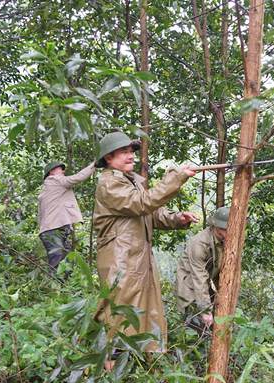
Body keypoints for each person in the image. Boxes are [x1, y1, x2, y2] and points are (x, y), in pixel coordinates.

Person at [92, 132, 199, 354]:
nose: (131, 156)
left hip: (136, 259)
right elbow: (142, 204)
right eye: (124, 152)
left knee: (143, 315)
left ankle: (137, 367)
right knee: (118, 317)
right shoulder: (109, 183)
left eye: (131, 152)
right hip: (119, 261)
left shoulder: (129, 181)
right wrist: (176, 177)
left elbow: (150, 213)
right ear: (108, 159)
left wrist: (177, 218)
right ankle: (110, 370)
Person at [174, 206, 229, 333]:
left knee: (214, 327)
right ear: (217, 227)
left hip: (207, 285)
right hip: (191, 287)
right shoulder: (200, 244)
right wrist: (205, 310)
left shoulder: (225, 241)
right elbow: (199, 278)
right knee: (197, 329)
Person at [37, 160, 96, 272]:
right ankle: (53, 288)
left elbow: (40, 217)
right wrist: (94, 165)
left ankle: (63, 287)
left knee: (67, 262)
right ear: (52, 172)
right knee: (58, 262)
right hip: (53, 231)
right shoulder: (55, 180)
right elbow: (78, 177)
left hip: (50, 231)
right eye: (60, 168)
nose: (63, 171)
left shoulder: (44, 191)